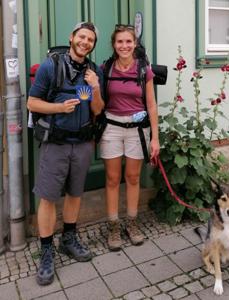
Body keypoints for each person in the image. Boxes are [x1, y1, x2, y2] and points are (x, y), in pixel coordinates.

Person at [27, 22, 104, 285]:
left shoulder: (94, 71)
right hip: (56, 143)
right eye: (81, 37)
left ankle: (68, 238)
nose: (85, 42)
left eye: (90, 40)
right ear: (72, 37)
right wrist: (59, 109)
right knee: (48, 197)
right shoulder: (51, 65)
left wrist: (95, 87)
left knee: (75, 193)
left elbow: (97, 110)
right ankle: (46, 249)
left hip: (82, 143)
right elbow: (31, 102)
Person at [100, 25, 160, 251]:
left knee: (133, 177)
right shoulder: (106, 68)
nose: (124, 46)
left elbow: (152, 105)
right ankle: (114, 226)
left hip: (137, 130)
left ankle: (132, 223)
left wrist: (155, 138)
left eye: (128, 42)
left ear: (134, 44)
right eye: (119, 42)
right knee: (113, 179)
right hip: (112, 128)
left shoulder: (144, 69)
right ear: (114, 45)